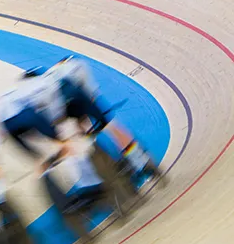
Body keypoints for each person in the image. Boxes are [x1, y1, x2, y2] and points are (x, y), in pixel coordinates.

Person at [41, 56, 155, 185]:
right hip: (76, 95)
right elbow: (91, 95)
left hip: (61, 105)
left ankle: (103, 163)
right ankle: (140, 160)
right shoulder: (77, 64)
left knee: (83, 133)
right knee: (110, 126)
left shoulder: (47, 76)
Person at [0, 71, 73, 173]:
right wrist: (55, 127)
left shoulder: (12, 90)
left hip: (6, 122)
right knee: (37, 118)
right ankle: (63, 144)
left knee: (18, 138)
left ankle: (38, 160)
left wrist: (1, 130)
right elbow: (47, 107)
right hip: (25, 114)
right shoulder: (38, 85)